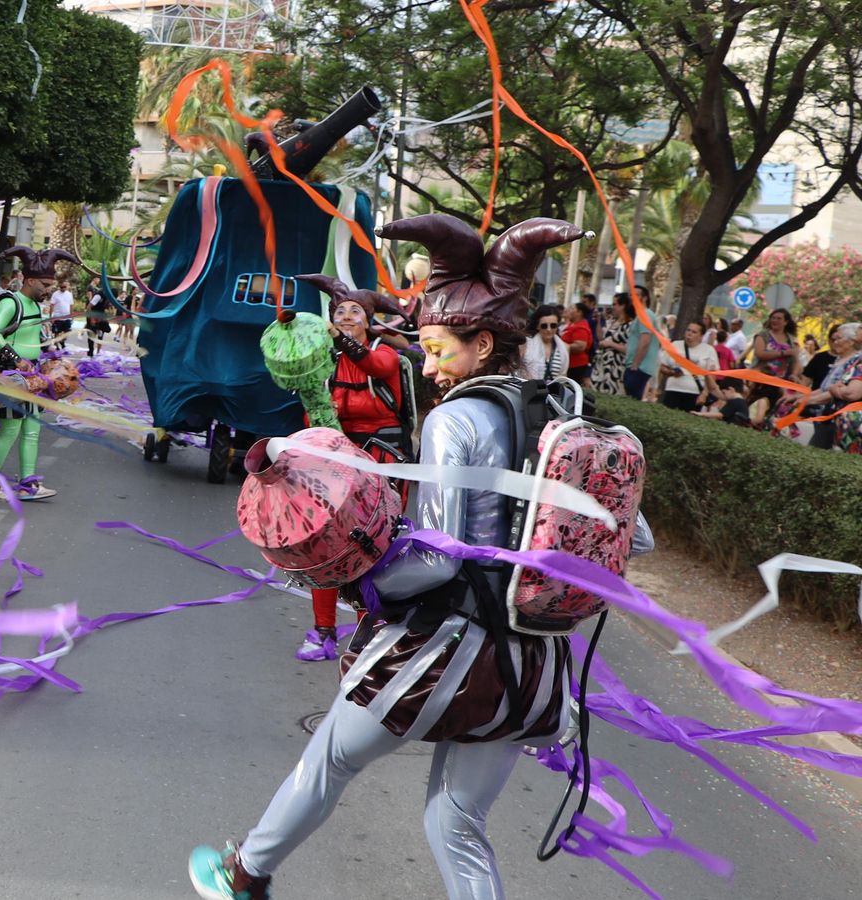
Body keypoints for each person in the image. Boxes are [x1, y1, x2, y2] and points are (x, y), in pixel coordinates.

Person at [188, 213, 651, 900]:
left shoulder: (455, 420)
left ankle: (244, 876)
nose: (428, 367)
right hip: (534, 665)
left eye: (437, 350)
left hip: (440, 656)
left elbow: (436, 558)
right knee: (458, 821)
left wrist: (360, 585)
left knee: (328, 763)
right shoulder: (567, 412)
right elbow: (632, 538)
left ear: (482, 340)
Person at [294, 274, 408, 663]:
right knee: (320, 547)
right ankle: (322, 630)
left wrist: (337, 337)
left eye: (353, 311)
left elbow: (374, 365)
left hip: (380, 462)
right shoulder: (324, 362)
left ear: (369, 321)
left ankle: (368, 633)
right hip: (335, 462)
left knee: (372, 548)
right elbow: (312, 410)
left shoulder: (385, 354)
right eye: (338, 311)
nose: (344, 316)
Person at [0, 246, 79, 502]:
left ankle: (28, 484)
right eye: (45, 284)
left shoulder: (34, 304)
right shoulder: (11, 302)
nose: (49, 289)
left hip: (32, 376)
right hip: (10, 376)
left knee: (32, 429)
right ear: (30, 280)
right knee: (10, 431)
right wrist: (16, 359)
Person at [799, 323, 861, 452]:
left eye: (839, 338)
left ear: (851, 341)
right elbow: (827, 388)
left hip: (845, 421)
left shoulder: (856, 360)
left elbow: (851, 393)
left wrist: (834, 389)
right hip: (836, 419)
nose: (835, 342)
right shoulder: (848, 360)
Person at [658, 320, 719, 412]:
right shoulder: (675, 345)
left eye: (694, 332)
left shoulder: (708, 350)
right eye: (688, 330)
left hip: (694, 393)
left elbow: (711, 375)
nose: (689, 333)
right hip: (673, 389)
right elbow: (662, 366)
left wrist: (705, 394)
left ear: (701, 335)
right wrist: (671, 372)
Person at [747, 308, 798, 409]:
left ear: (786, 322)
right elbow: (760, 353)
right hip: (760, 379)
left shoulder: (791, 339)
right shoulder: (763, 335)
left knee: (774, 408)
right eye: (773, 318)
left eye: (779, 318)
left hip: (780, 381)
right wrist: (783, 353)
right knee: (755, 406)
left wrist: (794, 375)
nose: (775, 320)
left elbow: (796, 360)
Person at [622, 286, 660, 400]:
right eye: (630, 294)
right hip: (637, 366)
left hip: (640, 367)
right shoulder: (641, 315)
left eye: (635, 295)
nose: (631, 297)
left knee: (633, 400)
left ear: (644, 298)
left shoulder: (645, 314)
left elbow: (645, 340)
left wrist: (635, 364)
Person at [590, 292, 631, 395]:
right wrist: (599, 321)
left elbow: (629, 349)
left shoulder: (630, 325)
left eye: (615, 304)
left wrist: (610, 344)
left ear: (623, 306)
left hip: (615, 368)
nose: (613, 307)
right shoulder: (613, 322)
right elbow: (601, 338)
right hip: (601, 366)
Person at [521, 303, 569, 380]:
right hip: (528, 389)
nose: (549, 329)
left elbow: (563, 376)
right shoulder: (526, 344)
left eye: (553, 325)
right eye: (544, 326)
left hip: (553, 391)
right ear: (537, 326)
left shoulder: (564, 348)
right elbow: (517, 368)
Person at [560, 301, 593, 386]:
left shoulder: (581, 327)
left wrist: (562, 347)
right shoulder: (573, 324)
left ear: (579, 312)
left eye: (572, 308)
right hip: (570, 363)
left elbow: (580, 346)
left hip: (576, 365)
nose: (569, 311)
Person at [84, 276, 112, 357]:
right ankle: (91, 352)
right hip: (92, 314)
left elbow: (106, 308)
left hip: (100, 316)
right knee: (91, 333)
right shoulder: (99, 295)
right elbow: (89, 307)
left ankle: (98, 352)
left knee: (105, 330)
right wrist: (92, 319)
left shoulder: (108, 296)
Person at [49, 278, 75, 349]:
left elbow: (71, 305)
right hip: (57, 316)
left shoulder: (69, 294)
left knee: (67, 332)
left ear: (67, 286)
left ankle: (62, 342)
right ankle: (57, 346)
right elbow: (52, 305)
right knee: (56, 332)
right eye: (61, 287)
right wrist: (51, 316)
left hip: (67, 317)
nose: (63, 288)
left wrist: (72, 315)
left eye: (64, 287)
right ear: (59, 286)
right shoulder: (55, 294)